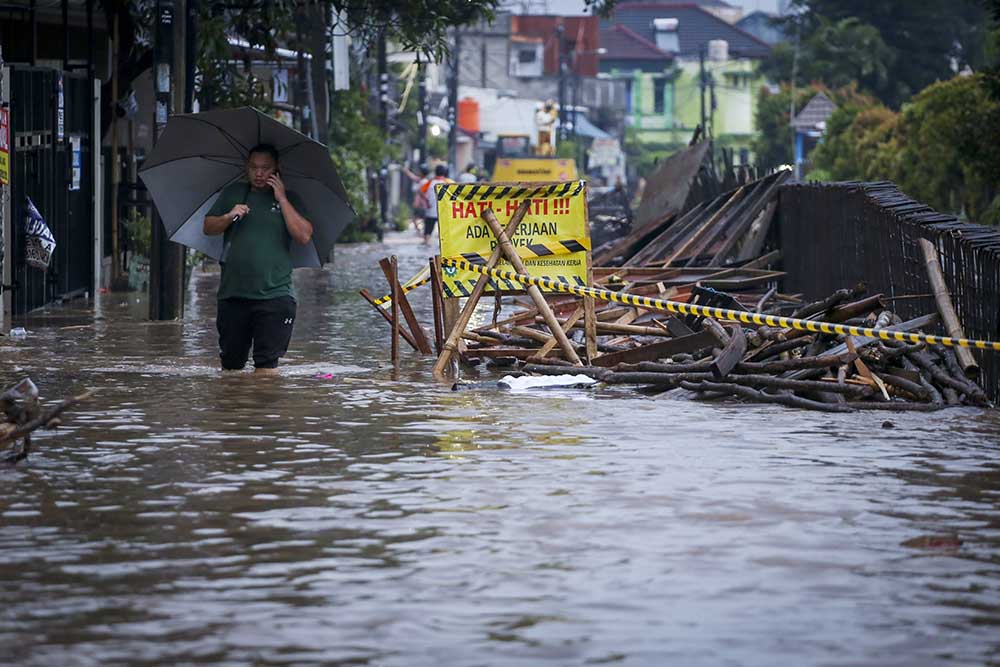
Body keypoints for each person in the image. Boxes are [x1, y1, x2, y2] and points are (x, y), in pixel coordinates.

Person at [203, 143, 314, 374]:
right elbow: (208, 227)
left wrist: (282, 199)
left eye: (266, 168)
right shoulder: (234, 194)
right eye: (254, 167)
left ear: (277, 169)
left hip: (276, 295)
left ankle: (264, 410)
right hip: (233, 295)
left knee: (267, 369)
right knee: (231, 369)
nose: (259, 173)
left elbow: (303, 236)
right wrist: (229, 215)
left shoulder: (291, 199)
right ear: (247, 167)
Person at [418, 164, 453, 245]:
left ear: (435, 172)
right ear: (444, 172)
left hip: (431, 209)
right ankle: (446, 244)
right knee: (445, 229)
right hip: (444, 210)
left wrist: (427, 201)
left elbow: (421, 191)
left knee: (428, 228)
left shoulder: (430, 182)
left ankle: (427, 241)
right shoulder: (449, 182)